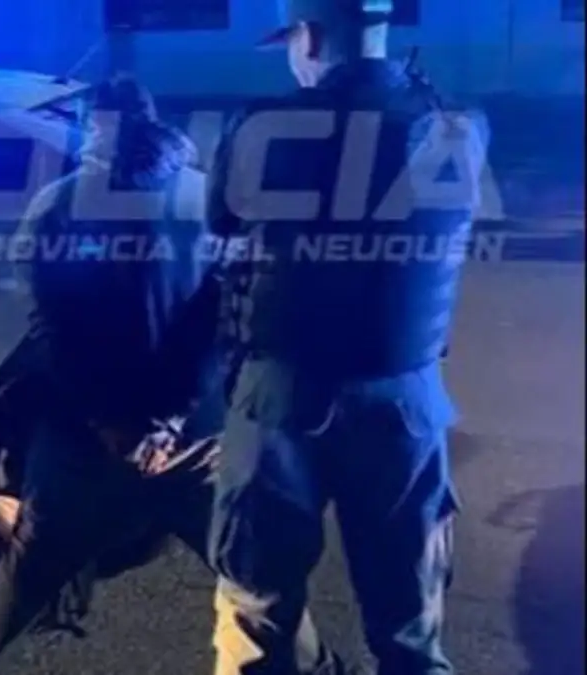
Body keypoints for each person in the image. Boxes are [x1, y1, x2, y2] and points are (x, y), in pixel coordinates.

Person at [0, 75, 338, 675]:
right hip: (198, 435)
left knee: (33, 562)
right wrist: (170, 422)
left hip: (87, 438)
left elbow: (53, 328)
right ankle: (320, 667)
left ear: (94, 126)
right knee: (250, 567)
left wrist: (109, 422)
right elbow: (227, 321)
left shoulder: (58, 205)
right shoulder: (207, 198)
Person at [206, 1, 490, 673]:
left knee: (256, 613)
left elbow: (221, 219)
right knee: (410, 629)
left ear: (307, 38)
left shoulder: (261, 125)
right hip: (407, 398)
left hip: (281, 398)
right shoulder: (462, 124)